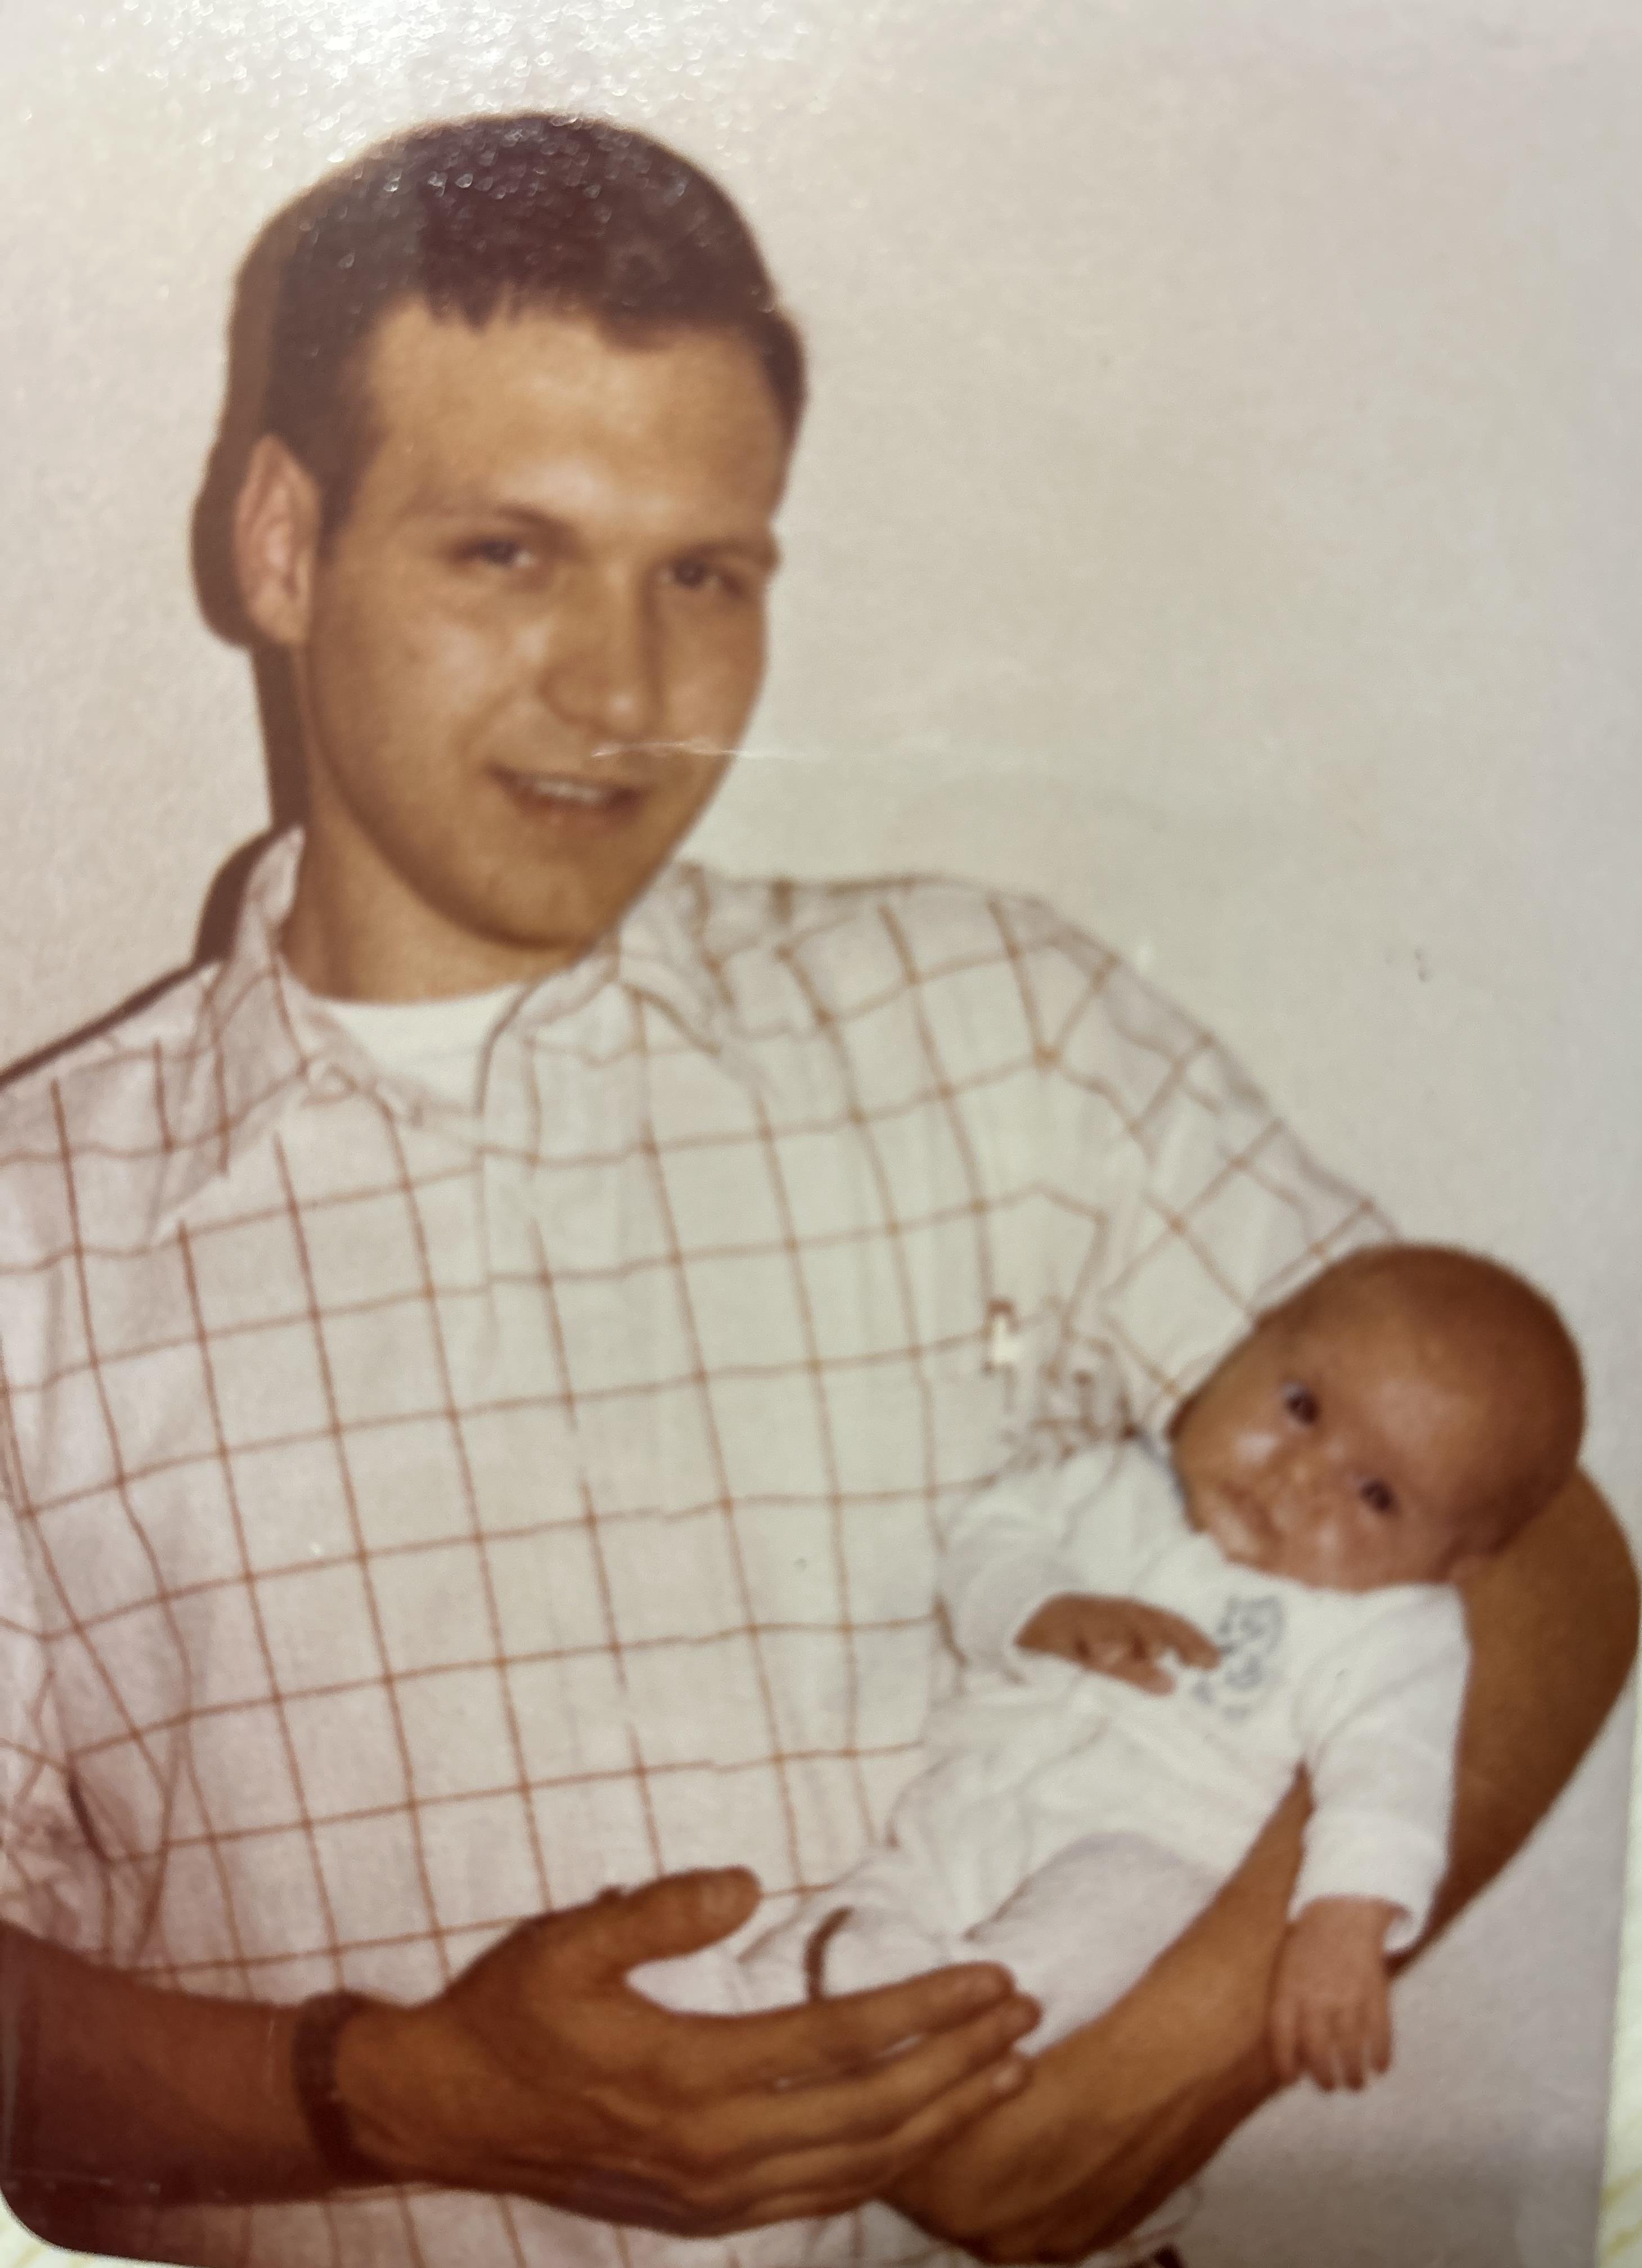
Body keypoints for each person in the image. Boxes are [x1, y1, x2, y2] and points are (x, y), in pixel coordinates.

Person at [0, 110, 1630, 2268]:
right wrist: (382, 2088)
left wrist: (1130, 2093)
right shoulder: (31, 1256)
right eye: (507, 551)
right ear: (283, 546)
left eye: (703, 574)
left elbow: (1529, 1552)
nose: (624, 688)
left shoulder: (997, 1031)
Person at [634, 1245, 1583, 2125]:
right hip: (977, 1797)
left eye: (1374, 1496)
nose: (1299, 1477)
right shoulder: (1122, 1483)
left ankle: (948, 2021)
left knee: (1111, 1914)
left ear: (1458, 1561)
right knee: (887, 1895)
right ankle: (728, 2012)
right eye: (1299, 1406)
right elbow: (992, 1540)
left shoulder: (1392, 1631)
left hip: (1158, 1842)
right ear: (1243, 1350)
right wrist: (1039, 1604)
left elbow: (1392, 1777)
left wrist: (1345, 1917)